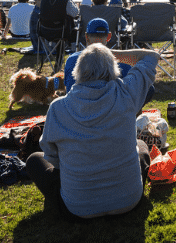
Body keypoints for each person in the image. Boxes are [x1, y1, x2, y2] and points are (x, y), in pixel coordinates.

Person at [25, 45, 159, 219]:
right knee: (140, 145)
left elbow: (52, 158)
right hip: (128, 202)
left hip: (78, 209)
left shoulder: (57, 108)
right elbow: (151, 56)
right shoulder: (127, 94)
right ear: (113, 69)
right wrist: (112, 54)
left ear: (77, 71)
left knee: (34, 160)